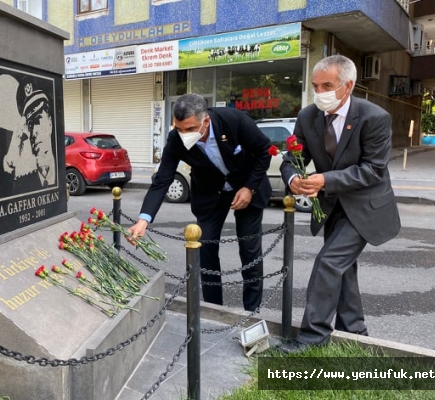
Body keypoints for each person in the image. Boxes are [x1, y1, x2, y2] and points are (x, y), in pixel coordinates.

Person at [277, 55, 400, 353]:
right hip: (333, 208)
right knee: (343, 269)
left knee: (328, 263)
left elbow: (373, 170)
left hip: (365, 207)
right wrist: (293, 178)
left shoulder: (374, 117)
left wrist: (324, 181)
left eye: (327, 85)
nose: (320, 92)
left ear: (348, 86)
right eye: (315, 86)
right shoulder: (307, 117)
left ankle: (312, 338)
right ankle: (356, 332)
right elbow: (292, 159)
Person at [127, 93, 273, 311]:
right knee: (205, 251)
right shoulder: (176, 139)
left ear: (206, 121)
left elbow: (264, 151)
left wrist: (249, 188)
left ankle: (252, 311)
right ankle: (215, 310)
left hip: (247, 188)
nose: (184, 134)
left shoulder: (234, 120)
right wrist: (143, 220)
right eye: (179, 128)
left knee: (249, 250)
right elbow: (162, 180)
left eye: (190, 129)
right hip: (210, 195)